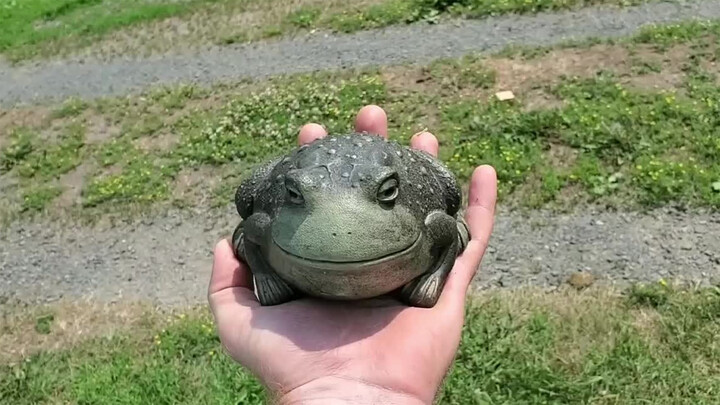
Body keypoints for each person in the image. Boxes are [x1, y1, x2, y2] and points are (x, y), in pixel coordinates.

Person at [208, 105, 497, 404]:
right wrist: (265, 272)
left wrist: (435, 274)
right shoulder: (268, 228)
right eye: (295, 195)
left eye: (385, 193)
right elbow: (253, 225)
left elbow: (446, 228)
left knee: (449, 191)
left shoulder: (426, 226)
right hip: (310, 186)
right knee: (247, 196)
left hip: (381, 185)